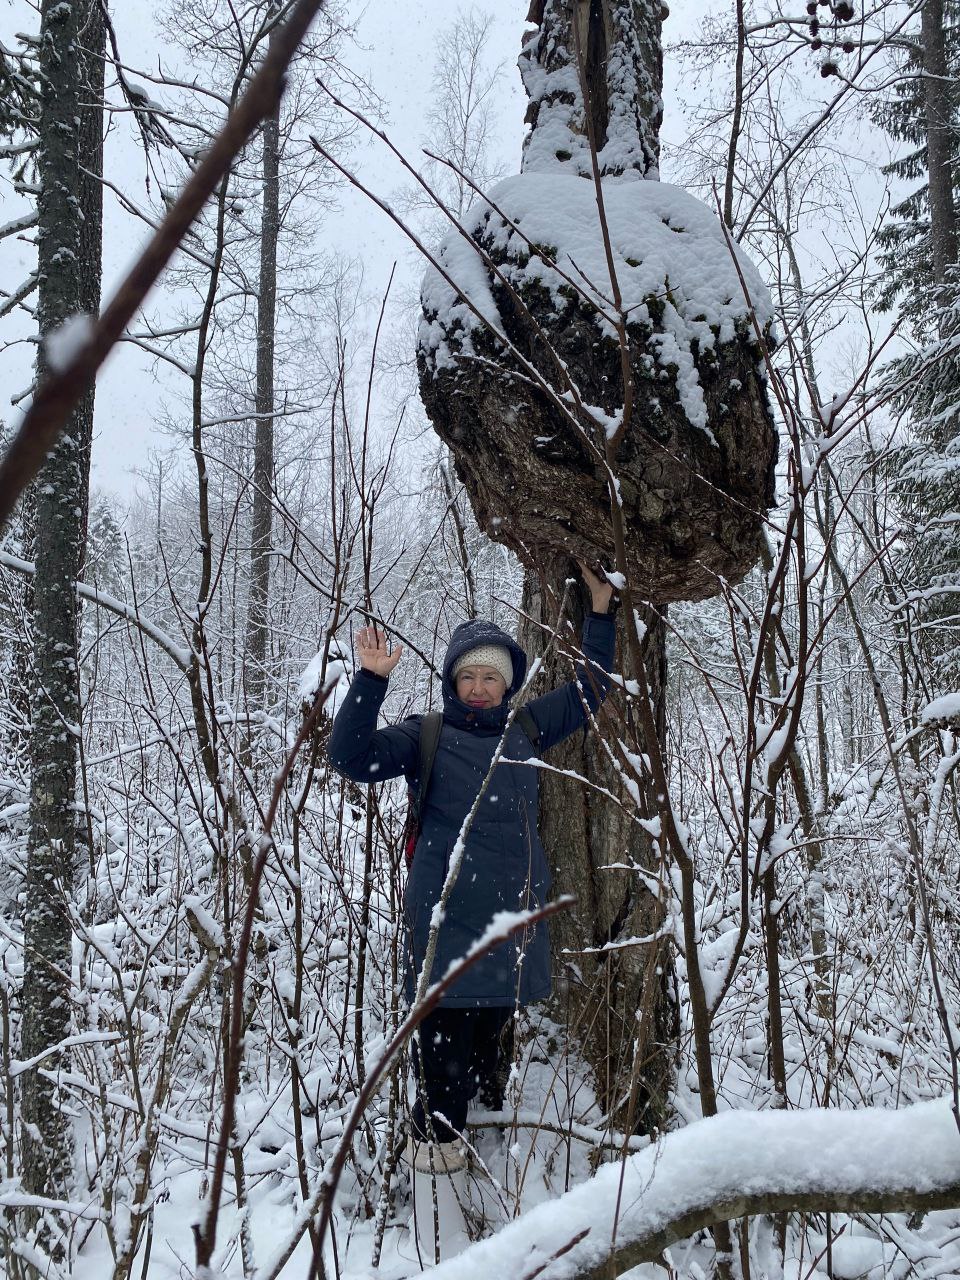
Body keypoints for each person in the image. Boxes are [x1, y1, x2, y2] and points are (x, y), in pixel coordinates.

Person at [327, 565, 615, 1184]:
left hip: (510, 919)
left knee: (490, 1041)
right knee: (442, 1047)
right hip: (445, 920)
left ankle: (485, 1159)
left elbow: (592, 688)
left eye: (491, 676)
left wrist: (600, 614)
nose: (480, 687)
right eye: (469, 676)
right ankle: (438, 1183)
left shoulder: (527, 728)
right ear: (452, 683)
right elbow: (349, 757)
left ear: (507, 684)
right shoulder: (424, 735)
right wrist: (370, 682)